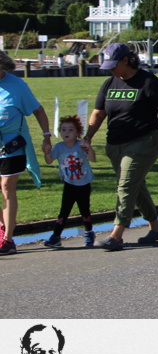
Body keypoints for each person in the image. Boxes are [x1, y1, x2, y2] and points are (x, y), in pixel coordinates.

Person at [84, 43, 158, 251]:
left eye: (113, 65)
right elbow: (99, 113)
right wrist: (88, 137)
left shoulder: (148, 81)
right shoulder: (109, 83)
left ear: (126, 60)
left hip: (143, 141)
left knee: (125, 186)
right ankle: (156, 228)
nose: (110, 70)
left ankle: (116, 235)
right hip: (115, 144)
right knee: (136, 185)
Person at [0, 50, 51, 256]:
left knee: (6, 186)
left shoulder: (17, 86)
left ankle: (8, 239)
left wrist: (46, 136)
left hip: (12, 145)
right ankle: (1, 228)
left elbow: (38, 110)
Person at [43, 115, 96, 248]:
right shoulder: (59, 147)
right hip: (69, 183)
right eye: (63, 129)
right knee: (64, 211)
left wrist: (89, 149)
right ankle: (56, 236)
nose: (67, 132)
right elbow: (49, 161)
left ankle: (89, 232)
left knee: (84, 210)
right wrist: (47, 152)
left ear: (78, 133)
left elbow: (92, 158)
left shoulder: (80, 145)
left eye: (71, 130)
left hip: (84, 184)